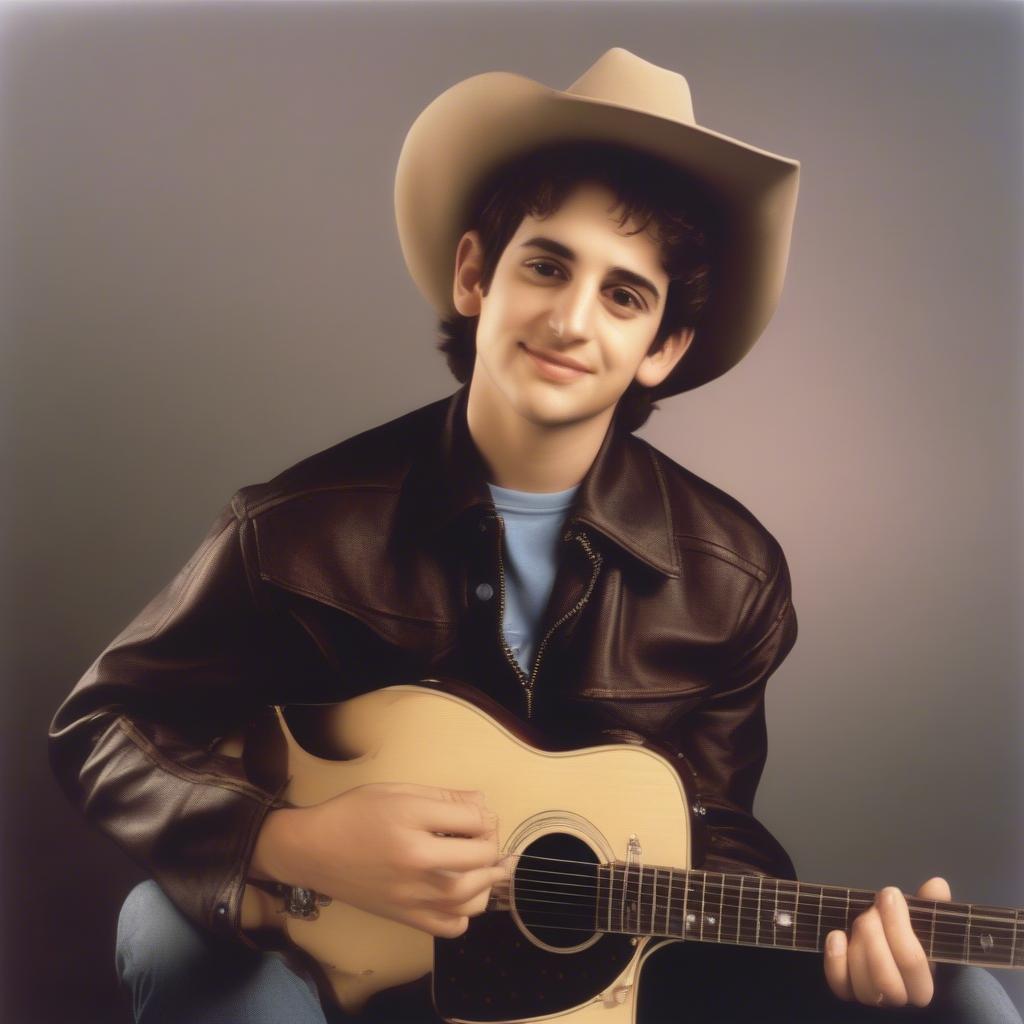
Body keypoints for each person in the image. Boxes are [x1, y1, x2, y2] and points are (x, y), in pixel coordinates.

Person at [49, 49, 1020, 1024]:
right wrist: (292, 842)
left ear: (662, 348)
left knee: (960, 995)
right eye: (546, 264)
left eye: (623, 294)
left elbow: (712, 841)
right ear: (475, 275)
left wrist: (835, 948)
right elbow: (99, 725)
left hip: (589, 977)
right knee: (169, 930)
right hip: (339, 960)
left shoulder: (733, 576)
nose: (569, 318)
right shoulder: (295, 530)